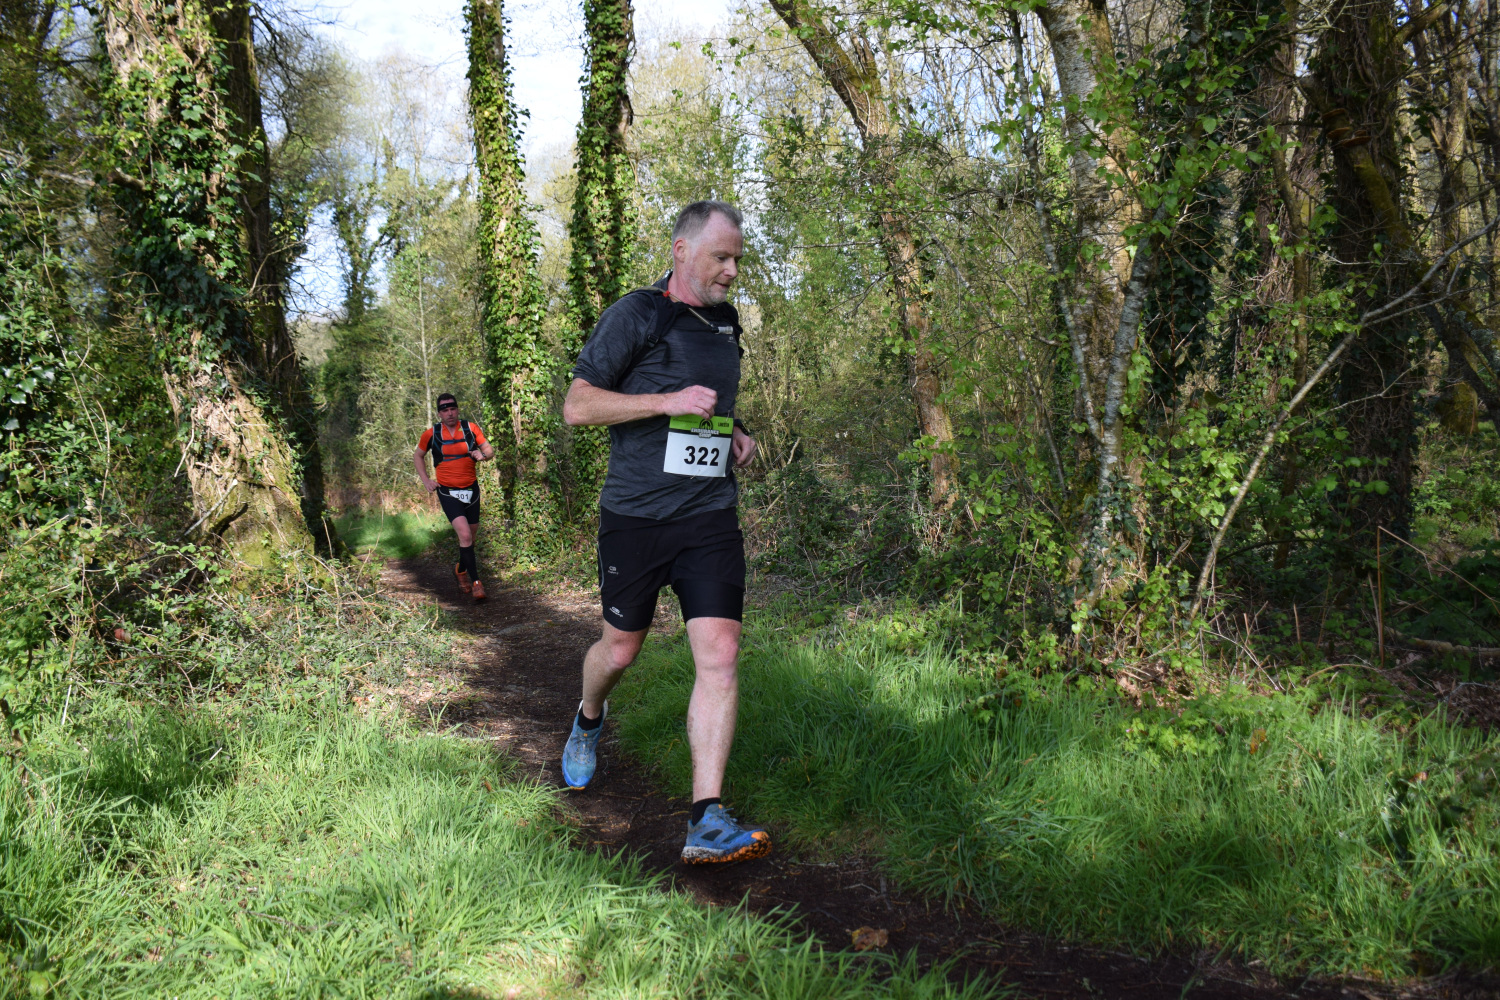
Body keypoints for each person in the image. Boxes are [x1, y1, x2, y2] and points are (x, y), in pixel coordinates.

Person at [559, 200, 769, 865]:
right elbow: (577, 406)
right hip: (636, 518)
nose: (732, 270)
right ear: (681, 251)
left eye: (737, 259)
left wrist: (734, 432)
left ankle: (707, 817)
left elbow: (708, 402)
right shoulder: (637, 314)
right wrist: (665, 402)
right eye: (721, 257)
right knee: (620, 651)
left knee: (721, 652)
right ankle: (588, 717)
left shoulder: (726, 324)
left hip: (708, 515)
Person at [414, 393, 495, 603]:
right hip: (448, 492)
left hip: (472, 491)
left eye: (452, 409)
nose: (449, 413)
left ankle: (460, 570)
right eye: (445, 410)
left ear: (457, 410)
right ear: (439, 413)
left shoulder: (470, 428)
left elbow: (489, 450)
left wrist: (483, 455)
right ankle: (476, 583)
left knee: (471, 539)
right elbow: (418, 456)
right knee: (465, 536)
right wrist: (426, 481)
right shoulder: (431, 434)